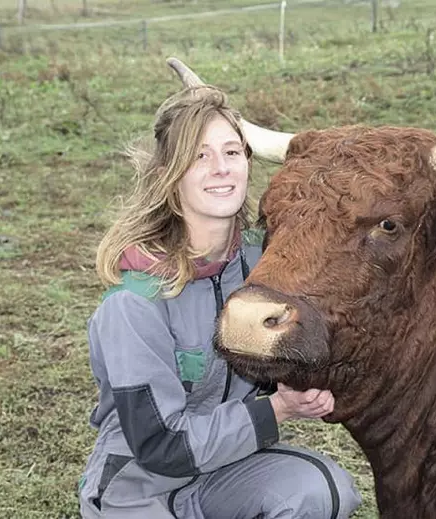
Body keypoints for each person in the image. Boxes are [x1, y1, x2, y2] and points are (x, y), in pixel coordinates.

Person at [78, 85, 362, 518]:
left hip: (230, 467)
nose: (220, 169)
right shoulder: (134, 304)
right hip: (141, 485)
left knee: (322, 490)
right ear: (169, 175)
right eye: (199, 156)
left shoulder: (262, 267)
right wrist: (278, 409)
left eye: (231, 153)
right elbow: (162, 446)